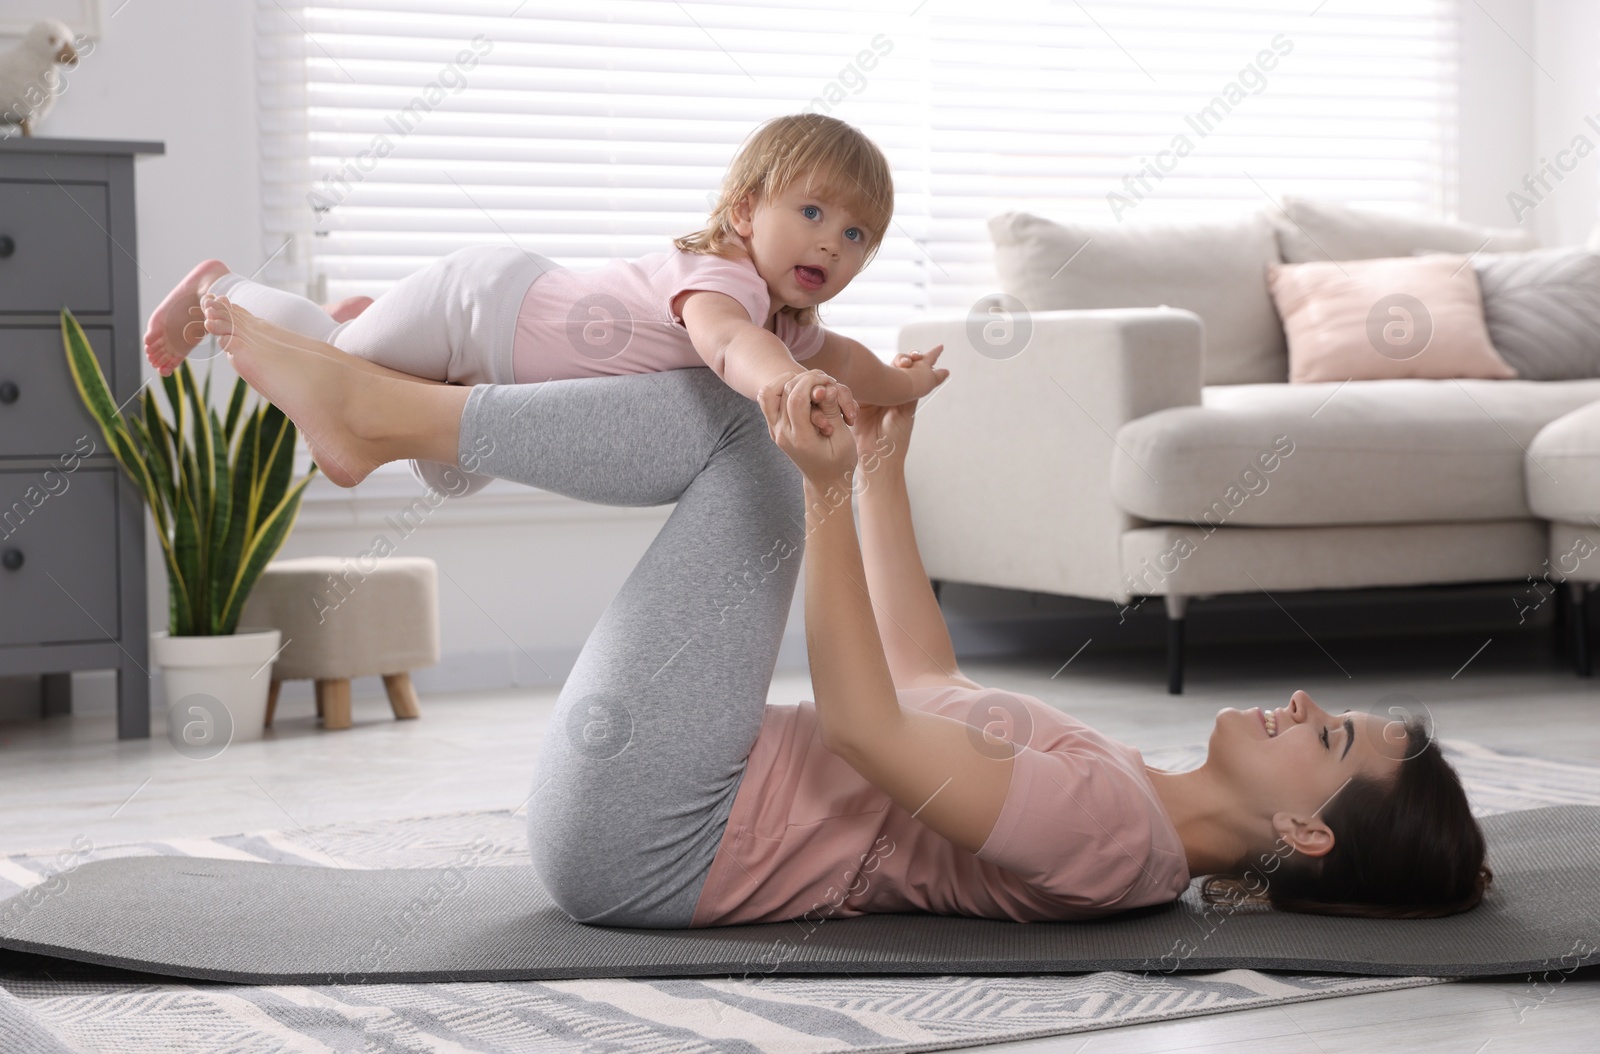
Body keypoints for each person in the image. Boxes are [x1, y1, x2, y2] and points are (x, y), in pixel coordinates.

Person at [200, 292, 1493, 929]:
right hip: (654, 800)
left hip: (652, 832)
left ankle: (391, 414)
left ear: (1298, 834)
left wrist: (814, 491)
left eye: (1330, 739)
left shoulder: (1113, 838)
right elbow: (921, 680)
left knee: (756, 413)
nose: (1310, 700)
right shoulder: (1132, 793)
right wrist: (879, 467)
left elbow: (868, 727)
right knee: (761, 391)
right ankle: (402, 393)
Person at [142, 112, 942, 495]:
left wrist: (902, 386)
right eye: (812, 214)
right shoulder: (722, 277)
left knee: (451, 483)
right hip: (480, 306)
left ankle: (361, 318)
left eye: (859, 234)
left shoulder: (793, 326)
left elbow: (850, 361)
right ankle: (224, 288)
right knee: (338, 371)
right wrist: (782, 387)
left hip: (491, 368)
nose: (835, 243)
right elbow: (730, 347)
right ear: (744, 212)